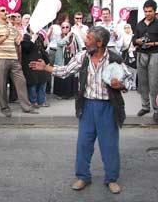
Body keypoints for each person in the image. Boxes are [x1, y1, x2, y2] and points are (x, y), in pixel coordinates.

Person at [29, 26, 133, 194]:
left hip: (108, 107)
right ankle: (83, 176)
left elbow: (129, 80)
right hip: (87, 106)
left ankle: (111, 179)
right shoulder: (83, 57)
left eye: (89, 38)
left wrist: (121, 85)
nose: (85, 39)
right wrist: (46, 68)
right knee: (84, 144)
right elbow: (66, 71)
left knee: (109, 145)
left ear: (99, 43)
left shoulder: (114, 59)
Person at [0, 5, 38, 117]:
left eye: (6, 10)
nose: (5, 12)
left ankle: (27, 107)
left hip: (13, 58)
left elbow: (18, 39)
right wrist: (5, 36)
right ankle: (4, 107)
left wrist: (19, 39)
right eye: (2, 11)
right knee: (1, 85)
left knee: (21, 81)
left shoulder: (11, 26)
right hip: (0, 58)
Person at [132, 0, 158, 123]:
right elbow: (134, 39)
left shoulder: (157, 23)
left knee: (154, 83)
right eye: (145, 11)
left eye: (150, 11)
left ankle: (156, 108)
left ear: (155, 11)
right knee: (142, 82)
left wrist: (152, 43)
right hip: (141, 54)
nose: (147, 13)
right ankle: (145, 106)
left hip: (154, 54)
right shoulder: (139, 24)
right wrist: (137, 41)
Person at [21, 27, 50, 108]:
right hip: (31, 63)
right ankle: (33, 102)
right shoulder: (26, 36)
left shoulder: (40, 36)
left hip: (40, 62)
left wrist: (45, 44)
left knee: (42, 82)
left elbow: (42, 49)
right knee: (32, 84)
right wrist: (32, 39)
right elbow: (26, 49)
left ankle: (41, 101)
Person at [53, 21, 81, 99]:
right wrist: (67, 36)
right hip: (62, 58)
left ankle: (71, 93)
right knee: (62, 74)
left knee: (71, 75)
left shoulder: (74, 36)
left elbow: (79, 46)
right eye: (63, 27)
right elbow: (60, 43)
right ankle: (61, 94)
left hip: (71, 57)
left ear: (70, 28)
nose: (65, 29)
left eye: (67, 27)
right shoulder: (58, 35)